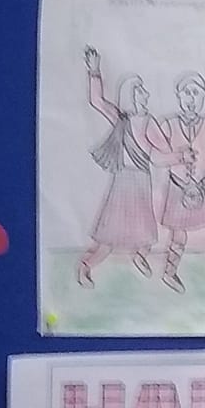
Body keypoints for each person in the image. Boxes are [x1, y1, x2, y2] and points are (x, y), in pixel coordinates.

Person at [151, 54, 205, 293]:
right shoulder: (168, 125)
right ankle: (170, 273)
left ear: (202, 98)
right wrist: (178, 157)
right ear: (179, 96)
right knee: (179, 235)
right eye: (186, 93)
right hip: (178, 191)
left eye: (196, 93)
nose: (191, 98)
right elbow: (155, 158)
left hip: (203, 188)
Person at [79, 49, 159, 285]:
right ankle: (86, 267)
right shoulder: (121, 119)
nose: (146, 95)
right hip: (125, 181)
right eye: (141, 91)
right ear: (131, 95)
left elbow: (160, 150)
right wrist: (94, 70)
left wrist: (178, 155)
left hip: (142, 180)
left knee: (145, 231)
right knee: (110, 235)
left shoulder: (149, 122)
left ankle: (140, 255)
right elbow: (96, 101)